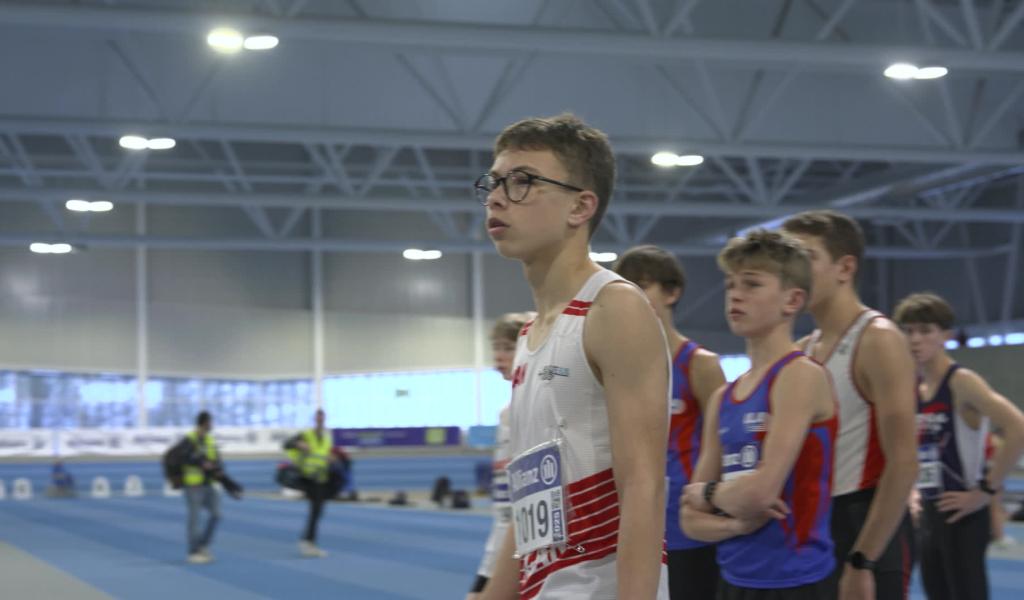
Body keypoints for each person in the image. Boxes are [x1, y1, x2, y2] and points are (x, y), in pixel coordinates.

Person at [476, 113, 670, 599]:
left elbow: (644, 489)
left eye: (523, 182)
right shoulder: (531, 333)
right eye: (495, 183)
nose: (497, 197)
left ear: (581, 207)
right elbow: (529, 505)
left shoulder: (614, 309)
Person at [681, 229, 838, 599]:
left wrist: (710, 493)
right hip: (733, 578)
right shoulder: (723, 397)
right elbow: (689, 520)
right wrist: (736, 524)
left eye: (751, 284)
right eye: (731, 285)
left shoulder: (800, 375)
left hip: (797, 580)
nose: (735, 294)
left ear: (792, 300)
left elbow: (762, 492)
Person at [782, 210, 918, 600]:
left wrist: (863, 559)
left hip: (864, 524)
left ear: (845, 267)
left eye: (806, 258)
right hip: (812, 524)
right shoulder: (803, 350)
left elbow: (904, 461)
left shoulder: (878, 340)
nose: (794, 271)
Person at [893, 292, 1024, 600]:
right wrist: (912, 491)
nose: (915, 339)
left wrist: (985, 491)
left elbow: (1017, 426)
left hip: (963, 514)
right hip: (928, 511)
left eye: (925, 331)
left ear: (945, 336)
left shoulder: (961, 381)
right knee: (935, 592)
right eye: (909, 331)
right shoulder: (916, 387)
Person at [614, 244, 726, 600]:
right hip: (631, 525)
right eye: (626, 287)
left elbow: (726, 443)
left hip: (685, 531)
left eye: (642, 286)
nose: (633, 296)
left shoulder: (700, 365)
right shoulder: (616, 367)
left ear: (672, 292)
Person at [467, 311, 536, 600]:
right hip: (502, 542)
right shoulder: (506, 413)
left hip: (527, 546)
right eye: (496, 347)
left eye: (508, 347)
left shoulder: (532, 409)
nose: (499, 355)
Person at [178, 411, 230, 564]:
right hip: (193, 484)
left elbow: (217, 460)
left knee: (217, 514)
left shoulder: (209, 440)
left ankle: (203, 545)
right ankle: (193, 552)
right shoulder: (189, 439)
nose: (212, 425)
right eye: (210, 422)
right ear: (204, 423)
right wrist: (200, 463)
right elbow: (183, 458)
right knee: (194, 518)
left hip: (208, 485)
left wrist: (217, 467)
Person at [284, 408, 335, 558]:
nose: (320, 421)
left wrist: (330, 458)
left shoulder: (327, 437)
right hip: (307, 476)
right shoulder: (306, 435)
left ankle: (307, 541)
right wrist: (299, 445)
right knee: (316, 509)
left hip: (320, 477)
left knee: (318, 510)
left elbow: (323, 454)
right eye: (318, 419)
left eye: (322, 419)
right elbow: (287, 444)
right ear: (315, 419)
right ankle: (308, 542)